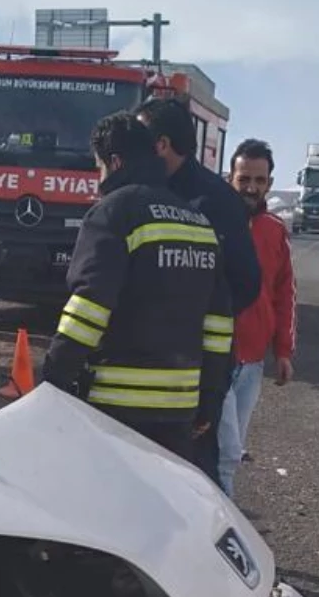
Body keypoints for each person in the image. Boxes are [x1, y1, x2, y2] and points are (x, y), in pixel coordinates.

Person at [42, 111, 232, 460]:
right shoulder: (198, 223)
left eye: (99, 167)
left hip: (116, 407)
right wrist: (210, 398)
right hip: (181, 409)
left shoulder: (114, 213)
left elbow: (89, 307)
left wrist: (51, 380)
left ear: (114, 162)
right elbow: (219, 324)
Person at [135, 96, 258, 479]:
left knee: (197, 473)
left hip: (196, 368)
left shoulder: (214, 202)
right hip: (149, 366)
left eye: (141, 140)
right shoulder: (144, 192)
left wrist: (185, 319)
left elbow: (245, 283)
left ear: (161, 145)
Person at [217, 139, 296, 499]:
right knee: (226, 454)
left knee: (229, 451)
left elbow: (284, 295)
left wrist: (283, 351)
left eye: (259, 180)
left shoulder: (274, 230)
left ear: (269, 182)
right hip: (213, 357)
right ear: (229, 177)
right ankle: (218, 539)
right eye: (243, 178)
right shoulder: (208, 220)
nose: (251, 187)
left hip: (251, 364)